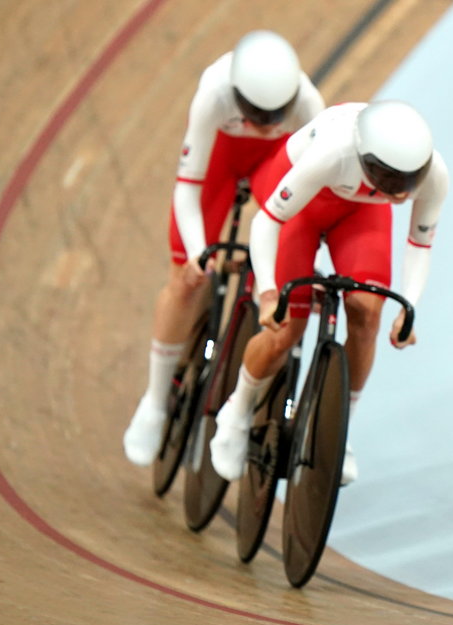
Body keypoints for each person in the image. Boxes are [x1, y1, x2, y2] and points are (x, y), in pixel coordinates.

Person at [207, 100, 449, 485]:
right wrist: (269, 293)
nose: (401, 194)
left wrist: (409, 308)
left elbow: (420, 244)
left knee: (368, 315)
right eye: (390, 183)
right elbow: (267, 221)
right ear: (366, 162)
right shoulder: (331, 154)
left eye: (408, 182)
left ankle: (341, 429)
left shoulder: (433, 174)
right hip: (299, 204)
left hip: (360, 212)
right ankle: (236, 412)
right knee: (285, 329)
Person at [123, 30, 324, 466]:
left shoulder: (309, 103)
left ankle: (244, 368)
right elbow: (188, 186)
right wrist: (198, 253)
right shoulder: (213, 93)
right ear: (236, 97)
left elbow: (309, 199)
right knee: (184, 282)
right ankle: (155, 402)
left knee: (276, 270)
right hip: (219, 162)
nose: (268, 122)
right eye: (256, 113)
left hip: (276, 165)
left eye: (277, 113)